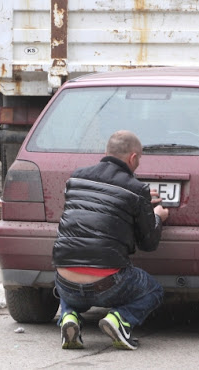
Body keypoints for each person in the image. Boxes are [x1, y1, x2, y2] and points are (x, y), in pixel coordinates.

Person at [52, 130, 170, 350]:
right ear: (133, 158)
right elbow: (148, 244)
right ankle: (119, 319)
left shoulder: (76, 177)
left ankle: (68, 316)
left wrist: (140, 202)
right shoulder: (136, 189)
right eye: (140, 159)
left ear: (106, 152)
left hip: (64, 281)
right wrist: (157, 216)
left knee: (74, 262)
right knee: (154, 290)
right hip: (107, 286)